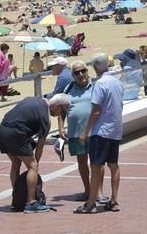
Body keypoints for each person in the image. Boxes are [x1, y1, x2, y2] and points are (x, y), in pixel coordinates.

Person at [0, 94, 70, 213]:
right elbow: (40, 147)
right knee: (32, 166)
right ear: (57, 106)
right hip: (16, 132)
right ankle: (31, 203)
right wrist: (35, 166)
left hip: (3, 130)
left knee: (15, 163)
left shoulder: (34, 99)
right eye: (62, 111)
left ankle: (17, 200)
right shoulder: (46, 119)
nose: (60, 115)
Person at [75, 54, 123, 214]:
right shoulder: (117, 82)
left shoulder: (100, 84)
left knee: (95, 166)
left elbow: (95, 111)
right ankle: (114, 201)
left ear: (95, 68)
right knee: (113, 165)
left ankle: (90, 204)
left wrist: (85, 132)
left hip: (101, 131)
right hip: (115, 130)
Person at [58, 61, 108, 203]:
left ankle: (99, 192)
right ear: (73, 75)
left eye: (83, 71)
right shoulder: (68, 88)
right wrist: (61, 127)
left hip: (95, 131)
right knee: (81, 161)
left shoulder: (96, 86)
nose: (81, 74)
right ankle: (88, 190)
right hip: (75, 132)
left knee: (97, 162)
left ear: (87, 71)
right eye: (77, 72)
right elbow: (61, 109)